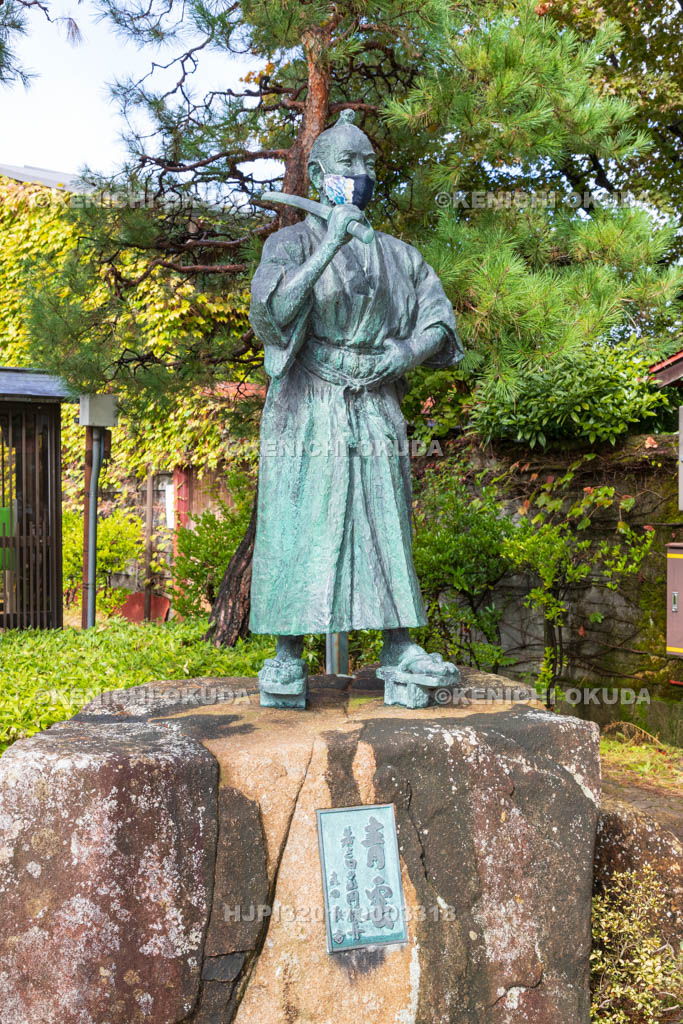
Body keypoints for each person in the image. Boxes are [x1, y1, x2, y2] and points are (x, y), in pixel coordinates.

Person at [249, 110, 462, 708]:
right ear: (318, 174)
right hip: (306, 404)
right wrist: (330, 245)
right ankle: (286, 656)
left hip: (375, 399)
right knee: (299, 520)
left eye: (369, 163)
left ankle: (398, 645)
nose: (362, 173)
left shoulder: (398, 254)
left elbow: (440, 323)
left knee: (384, 517)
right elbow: (271, 316)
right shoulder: (287, 242)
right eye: (350, 162)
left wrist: (400, 356)